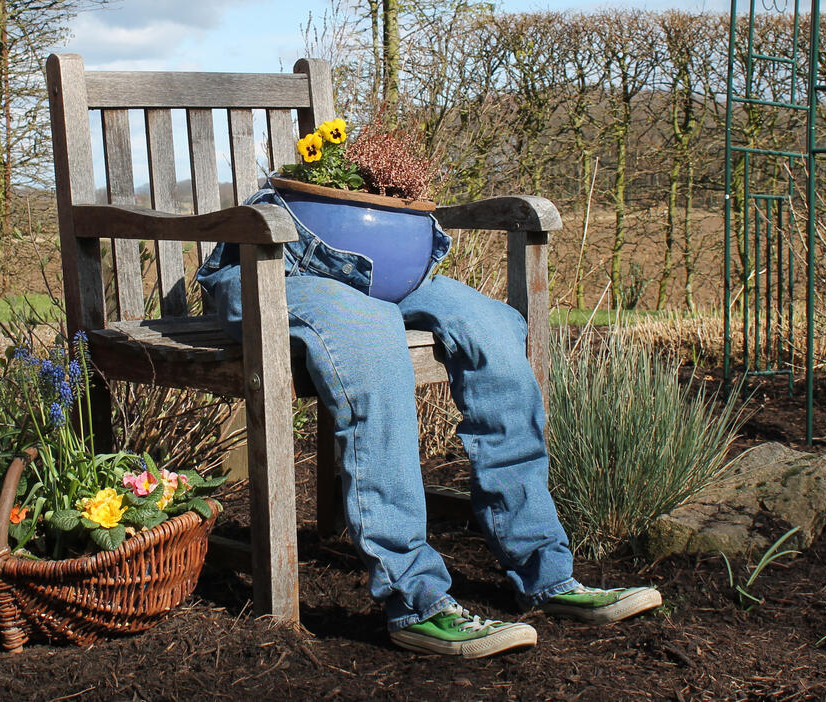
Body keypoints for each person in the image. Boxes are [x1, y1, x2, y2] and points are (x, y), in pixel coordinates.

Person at [197, 182, 661, 659]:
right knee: (372, 335)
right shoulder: (282, 186)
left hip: (373, 269)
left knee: (493, 328)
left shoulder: (349, 164)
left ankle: (545, 570)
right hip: (270, 270)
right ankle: (416, 599)